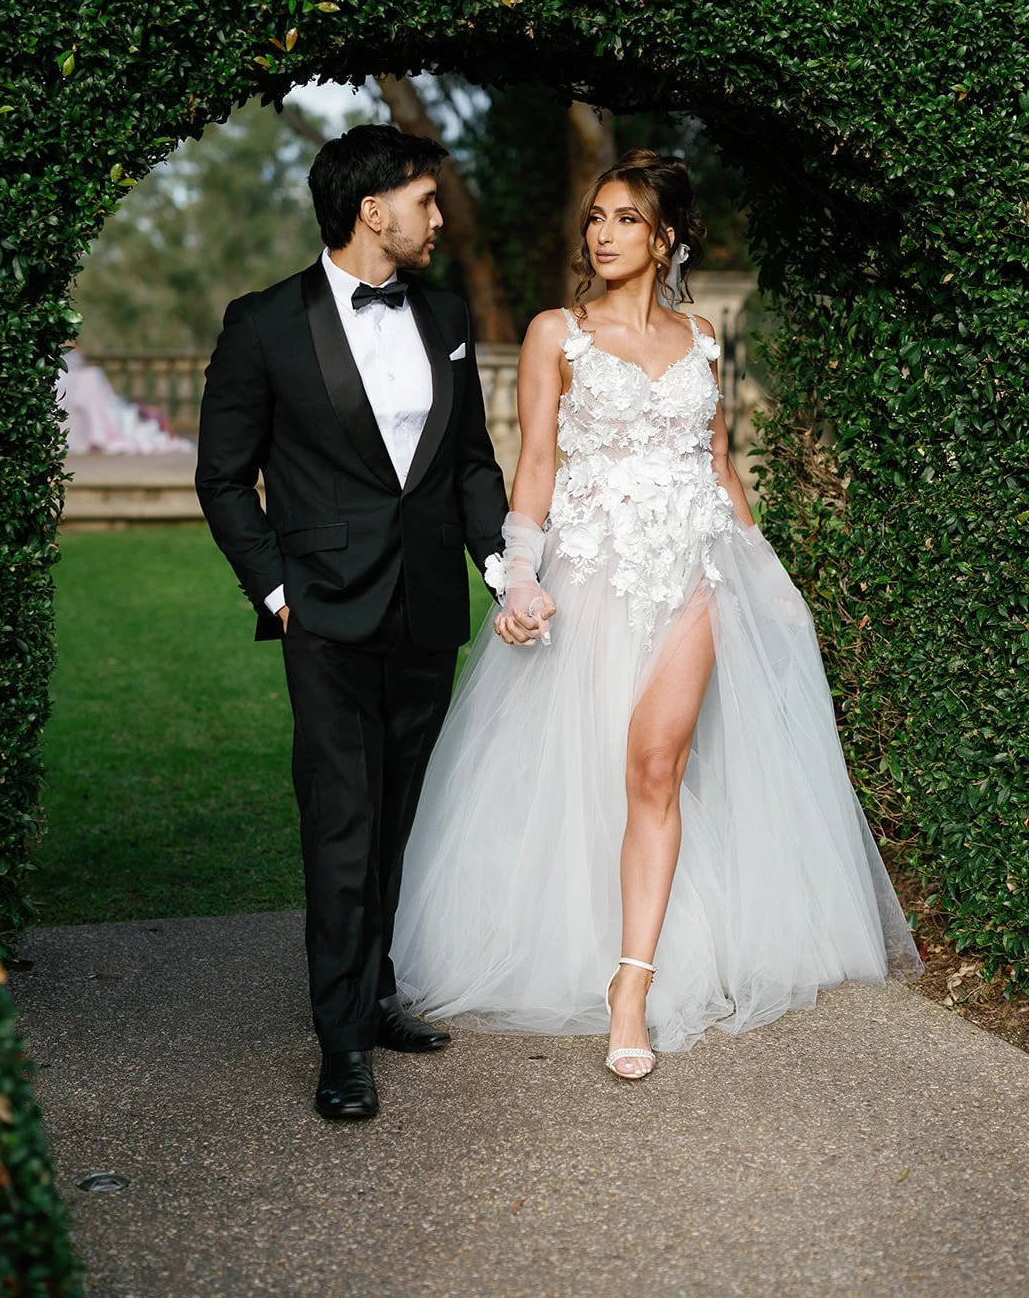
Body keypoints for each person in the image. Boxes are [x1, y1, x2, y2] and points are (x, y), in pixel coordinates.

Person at [393, 148, 921, 1079]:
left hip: (695, 577)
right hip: (592, 573)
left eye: (625, 219)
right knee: (589, 767)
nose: (601, 234)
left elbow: (719, 469)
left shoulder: (702, 340)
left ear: (665, 235)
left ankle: (629, 984)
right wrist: (518, 573)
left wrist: (767, 580)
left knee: (655, 764)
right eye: (595, 218)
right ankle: (578, 941)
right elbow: (536, 466)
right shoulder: (558, 333)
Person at [195, 124, 508, 1120]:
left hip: (426, 608)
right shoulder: (263, 324)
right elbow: (221, 477)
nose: (439, 217)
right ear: (373, 209)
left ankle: (375, 997)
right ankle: (339, 1044)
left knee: (402, 822)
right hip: (322, 617)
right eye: (427, 198)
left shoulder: (448, 314)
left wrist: (500, 563)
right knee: (341, 824)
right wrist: (278, 591)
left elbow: (469, 465)